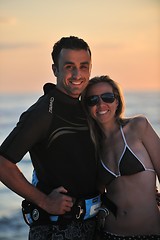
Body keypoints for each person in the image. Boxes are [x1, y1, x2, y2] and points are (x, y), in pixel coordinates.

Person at [0, 36, 101, 240]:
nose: (77, 74)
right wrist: (45, 201)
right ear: (55, 70)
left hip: (91, 225)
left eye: (84, 67)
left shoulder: (86, 107)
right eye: (69, 66)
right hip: (58, 230)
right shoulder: (43, 112)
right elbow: (2, 163)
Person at [82, 75, 160, 239]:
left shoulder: (138, 127)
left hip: (151, 233)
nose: (101, 104)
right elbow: (97, 191)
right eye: (93, 100)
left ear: (117, 101)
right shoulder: (94, 147)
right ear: (87, 107)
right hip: (109, 233)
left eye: (107, 97)